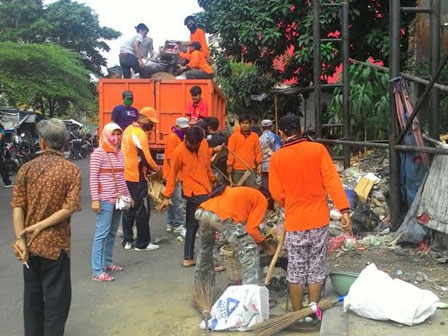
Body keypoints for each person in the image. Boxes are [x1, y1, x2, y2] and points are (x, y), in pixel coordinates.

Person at [269, 114, 352, 314]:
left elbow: (276, 193)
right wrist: (344, 210)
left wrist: (289, 202)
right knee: (316, 267)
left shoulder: (277, 157)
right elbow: (332, 181)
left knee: (296, 269)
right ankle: (313, 311)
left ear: (281, 133)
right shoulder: (318, 150)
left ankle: (297, 314)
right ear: (302, 128)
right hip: (319, 220)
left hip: (295, 221)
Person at [11, 118, 81, 336]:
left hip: (30, 246)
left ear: (42, 143)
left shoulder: (26, 169)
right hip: (56, 247)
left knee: (32, 300)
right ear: (64, 142)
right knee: (56, 302)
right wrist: (41, 225)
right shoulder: (71, 171)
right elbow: (69, 208)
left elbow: (18, 206)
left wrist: (21, 239)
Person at [194, 186, 276, 285]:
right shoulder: (262, 199)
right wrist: (267, 247)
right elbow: (251, 230)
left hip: (203, 211)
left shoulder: (244, 192)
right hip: (221, 217)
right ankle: (250, 294)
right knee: (249, 250)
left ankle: (202, 286)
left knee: (205, 249)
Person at [160, 127, 215, 267]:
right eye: (191, 144)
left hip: (206, 188)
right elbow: (172, 175)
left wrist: (213, 179)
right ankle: (208, 261)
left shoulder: (203, 144)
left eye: (196, 144)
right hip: (193, 192)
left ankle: (189, 258)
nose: (193, 147)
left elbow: (206, 165)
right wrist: (166, 196)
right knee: (206, 225)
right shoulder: (178, 152)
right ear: (186, 140)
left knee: (193, 225)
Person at [90, 122, 130, 282]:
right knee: (101, 234)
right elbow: (93, 178)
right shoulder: (98, 153)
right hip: (104, 199)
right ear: (105, 135)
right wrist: (95, 199)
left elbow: (121, 177)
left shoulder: (120, 154)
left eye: (118, 134)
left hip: (118, 200)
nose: (116, 138)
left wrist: (128, 195)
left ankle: (107, 263)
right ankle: (97, 271)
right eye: (112, 134)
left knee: (112, 233)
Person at [121, 107, 161, 251]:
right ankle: (142, 243)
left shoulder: (127, 130)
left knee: (128, 209)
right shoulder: (140, 134)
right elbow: (147, 157)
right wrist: (158, 169)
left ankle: (127, 241)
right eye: (150, 121)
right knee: (142, 210)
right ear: (142, 118)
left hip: (126, 175)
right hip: (137, 177)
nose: (152, 125)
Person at [163, 117, 189, 234]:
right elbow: (169, 158)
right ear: (177, 126)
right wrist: (175, 173)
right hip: (173, 174)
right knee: (178, 200)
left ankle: (171, 223)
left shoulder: (180, 137)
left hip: (174, 173)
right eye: (183, 128)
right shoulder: (173, 138)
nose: (185, 130)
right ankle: (178, 224)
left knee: (172, 200)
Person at [227, 114, 262, 188]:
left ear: (250, 124)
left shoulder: (255, 136)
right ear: (240, 124)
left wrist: (259, 164)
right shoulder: (234, 137)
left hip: (250, 169)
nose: (244, 125)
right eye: (242, 123)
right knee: (238, 192)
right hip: (237, 170)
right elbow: (231, 152)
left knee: (251, 191)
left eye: (246, 123)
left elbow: (258, 151)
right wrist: (229, 165)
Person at [259, 119, 282, 189]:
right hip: (273, 164)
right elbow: (278, 151)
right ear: (272, 127)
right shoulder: (276, 137)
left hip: (263, 164)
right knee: (274, 184)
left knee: (265, 184)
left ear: (261, 128)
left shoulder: (259, 139)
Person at [206, 117, 228, 184]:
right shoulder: (222, 138)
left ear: (209, 127)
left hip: (207, 167)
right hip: (220, 168)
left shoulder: (204, 138)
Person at [0, 122, 13, 187]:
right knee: (2, 167)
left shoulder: (2, 131)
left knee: (3, 167)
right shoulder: (1, 131)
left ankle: (7, 182)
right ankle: (7, 182)